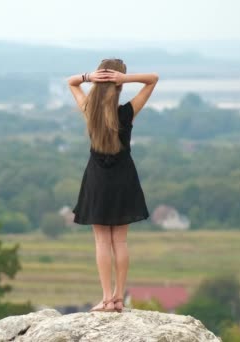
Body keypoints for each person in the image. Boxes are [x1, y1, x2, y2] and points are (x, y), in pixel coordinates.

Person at [67, 58, 159, 313]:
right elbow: (153, 78)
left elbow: (71, 82)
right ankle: (118, 298)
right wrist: (123, 79)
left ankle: (106, 298)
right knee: (120, 242)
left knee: (101, 242)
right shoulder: (127, 112)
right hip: (124, 179)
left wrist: (89, 77)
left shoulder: (88, 109)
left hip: (97, 180)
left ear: (98, 79)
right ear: (119, 84)